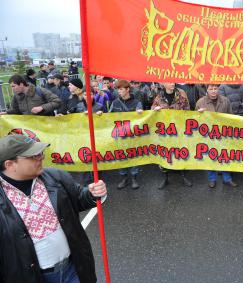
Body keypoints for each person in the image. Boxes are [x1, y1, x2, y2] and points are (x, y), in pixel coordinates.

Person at [0, 134, 107, 283]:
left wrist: (92, 193)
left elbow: (80, 199)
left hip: (72, 269)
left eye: (40, 153)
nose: (41, 158)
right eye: (33, 156)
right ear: (10, 164)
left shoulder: (56, 176)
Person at [195, 84, 238, 188]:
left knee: (225, 156)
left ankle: (227, 179)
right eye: (211, 89)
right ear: (207, 90)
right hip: (208, 135)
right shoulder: (200, 102)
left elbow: (231, 116)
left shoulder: (225, 100)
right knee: (211, 156)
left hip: (223, 134)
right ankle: (212, 179)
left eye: (215, 89)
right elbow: (194, 121)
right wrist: (198, 114)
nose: (213, 91)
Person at [151, 82, 192, 189]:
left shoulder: (181, 94)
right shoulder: (159, 97)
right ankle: (165, 178)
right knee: (165, 154)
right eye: (169, 82)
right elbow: (152, 111)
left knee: (180, 152)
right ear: (164, 84)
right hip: (165, 132)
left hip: (179, 130)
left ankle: (183, 176)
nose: (172, 84)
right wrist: (155, 110)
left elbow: (188, 109)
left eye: (173, 82)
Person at [109, 80, 143, 190]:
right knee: (120, 156)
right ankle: (124, 177)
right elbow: (108, 118)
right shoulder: (115, 103)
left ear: (128, 89)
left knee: (133, 156)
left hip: (133, 136)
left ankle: (134, 177)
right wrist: (100, 115)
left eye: (121, 89)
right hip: (119, 135)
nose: (119, 91)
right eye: (117, 89)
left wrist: (140, 114)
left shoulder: (137, 103)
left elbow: (142, 120)